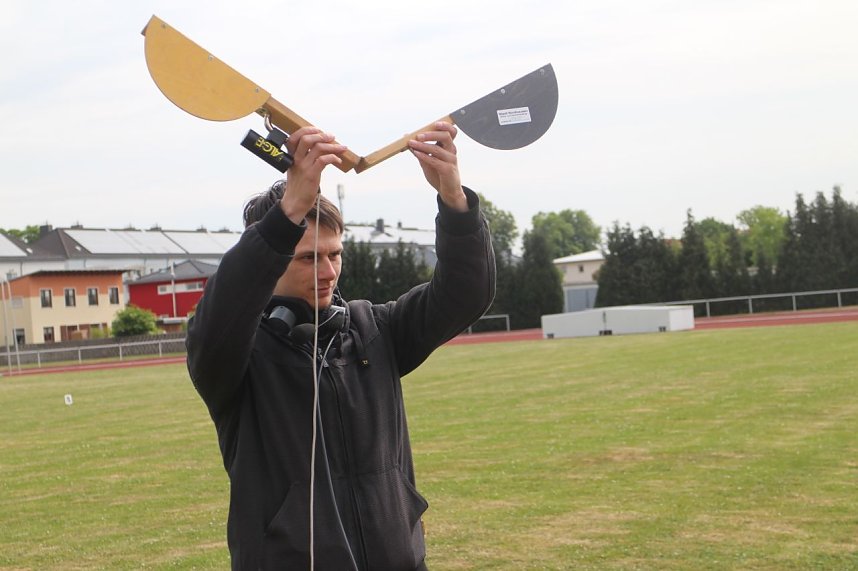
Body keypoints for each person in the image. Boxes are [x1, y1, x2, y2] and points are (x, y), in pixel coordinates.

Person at [186, 121, 496, 570]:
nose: (328, 271)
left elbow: (466, 293)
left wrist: (454, 201)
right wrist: (290, 207)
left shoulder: (376, 330)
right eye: (309, 257)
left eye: (334, 254)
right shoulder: (237, 355)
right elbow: (220, 314)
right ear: (270, 258)